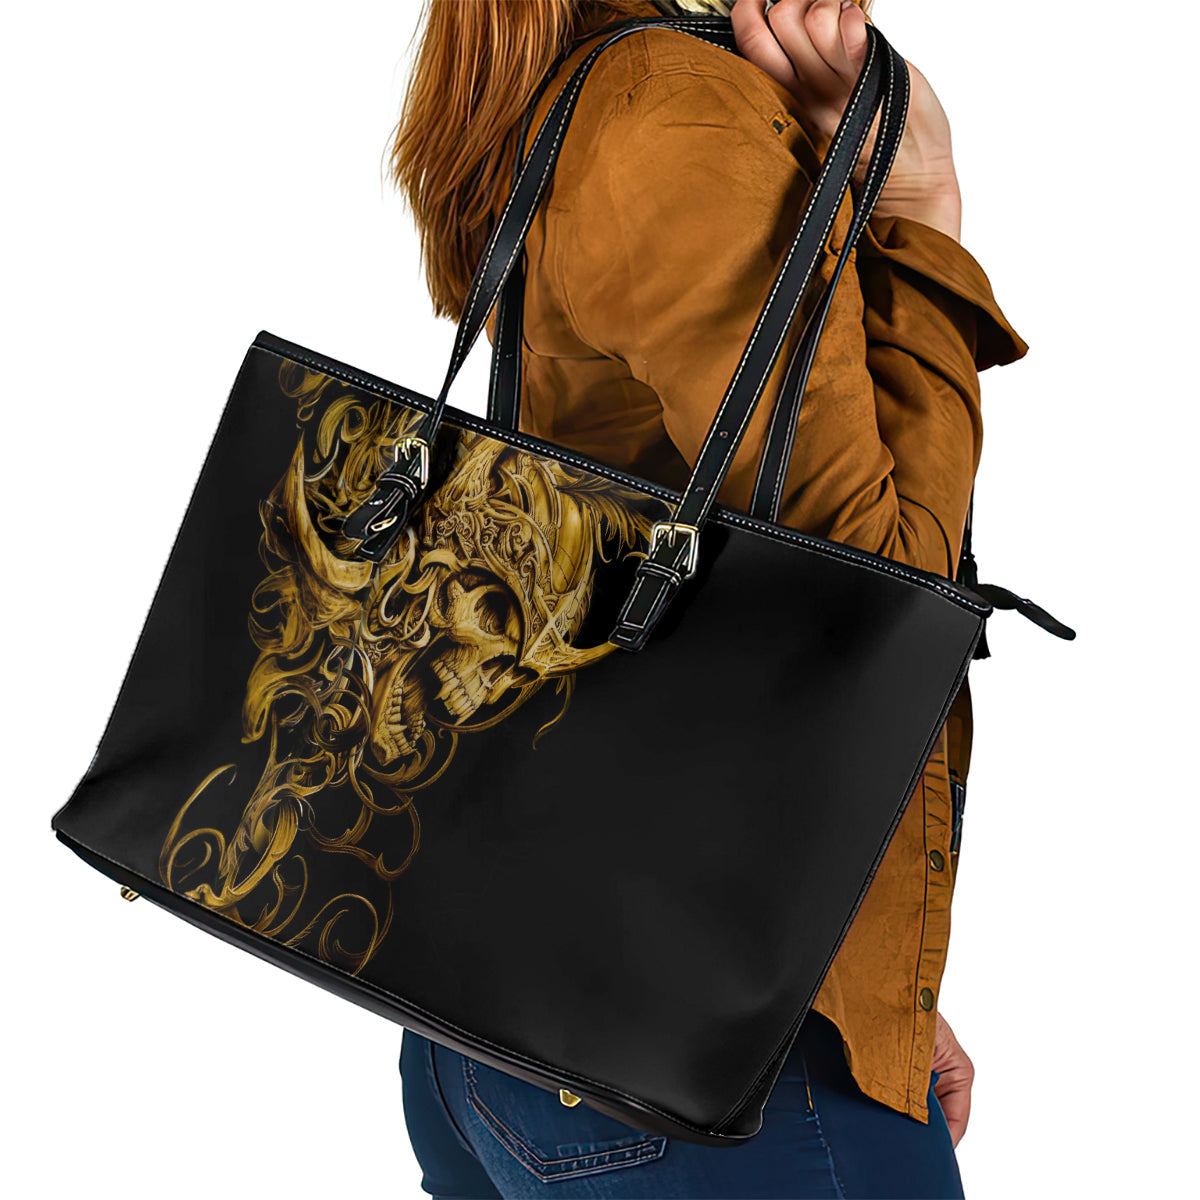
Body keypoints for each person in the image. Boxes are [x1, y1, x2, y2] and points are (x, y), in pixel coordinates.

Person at [391, 0, 1027, 1195]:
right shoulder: (679, 111)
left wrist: (864, 992)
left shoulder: (592, 85)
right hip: (703, 1072)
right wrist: (922, 213)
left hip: (507, 1012)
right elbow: (872, 594)